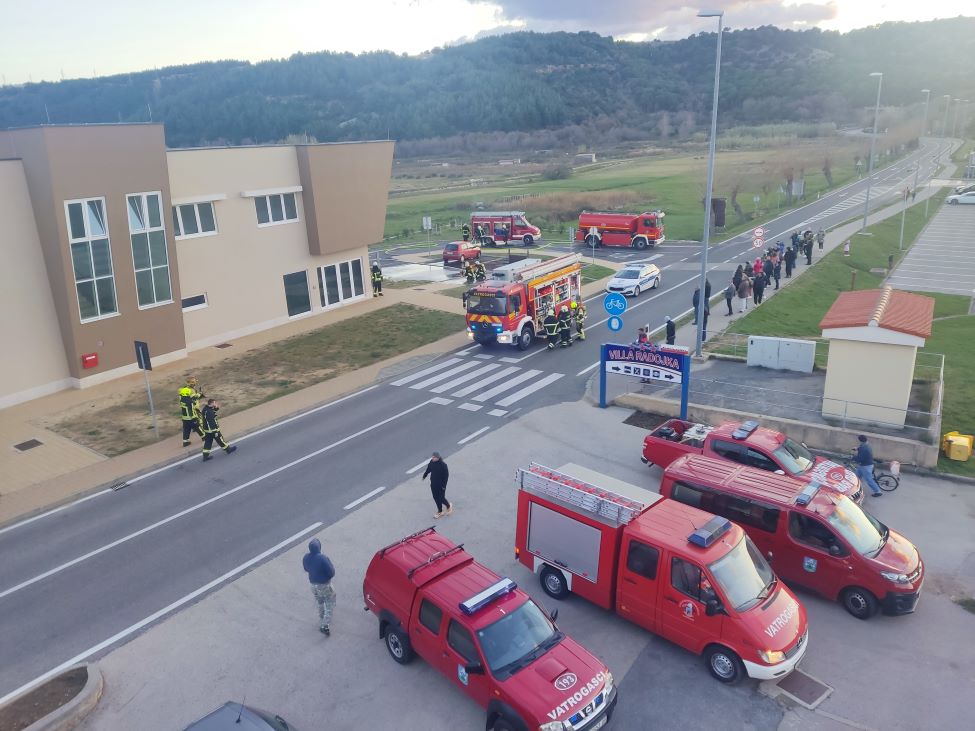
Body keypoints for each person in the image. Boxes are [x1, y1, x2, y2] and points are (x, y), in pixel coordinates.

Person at [302, 538, 336, 636]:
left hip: (313, 585)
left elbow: (306, 568)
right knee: (330, 603)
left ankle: (321, 615)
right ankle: (324, 626)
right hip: (324, 585)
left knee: (320, 601)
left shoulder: (305, 557)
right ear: (319, 547)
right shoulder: (322, 558)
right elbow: (332, 572)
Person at [422, 451, 452, 517]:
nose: (432, 458)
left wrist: (444, 486)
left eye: (434, 457)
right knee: (435, 497)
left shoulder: (443, 465)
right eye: (432, 457)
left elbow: (446, 477)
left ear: (437, 457)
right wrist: (425, 475)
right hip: (433, 484)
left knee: (441, 498)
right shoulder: (431, 462)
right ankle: (440, 511)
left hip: (441, 485)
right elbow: (428, 469)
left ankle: (448, 506)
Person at [178, 376, 205, 447]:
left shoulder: (183, 390)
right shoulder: (190, 391)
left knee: (186, 427)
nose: (195, 383)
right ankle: (204, 436)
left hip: (184, 413)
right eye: (194, 382)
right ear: (192, 383)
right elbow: (193, 398)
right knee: (196, 425)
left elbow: (188, 399)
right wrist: (200, 394)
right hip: (191, 412)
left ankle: (186, 441)